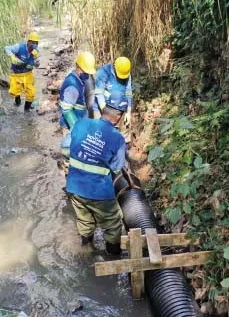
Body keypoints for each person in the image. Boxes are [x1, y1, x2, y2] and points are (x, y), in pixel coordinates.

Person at [66, 92, 127, 255]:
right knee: (113, 223)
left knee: (84, 220)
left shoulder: (81, 124)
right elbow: (117, 167)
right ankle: (113, 255)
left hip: (74, 187)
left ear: (103, 110)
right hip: (99, 192)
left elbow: (68, 146)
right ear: (118, 116)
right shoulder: (118, 138)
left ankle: (86, 250)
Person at [93, 57, 133, 145]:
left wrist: (128, 111)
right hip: (103, 107)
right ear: (115, 67)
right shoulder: (103, 72)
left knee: (124, 133)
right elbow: (99, 93)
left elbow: (128, 92)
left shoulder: (126, 73)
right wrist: (105, 112)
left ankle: (124, 152)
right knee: (100, 135)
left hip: (121, 108)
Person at [59, 51, 96, 135]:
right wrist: (77, 130)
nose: (88, 75)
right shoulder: (72, 85)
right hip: (70, 126)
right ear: (78, 67)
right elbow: (67, 110)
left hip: (79, 119)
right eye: (86, 72)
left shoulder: (79, 78)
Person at [4, 31, 40, 111]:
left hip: (28, 74)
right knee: (15, 92)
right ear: (28, 42)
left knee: (31, 93)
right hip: (16, 74)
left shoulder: (36, 51)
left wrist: (36, 60)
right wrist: (12, 56)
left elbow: (38, 65)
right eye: (33, 42)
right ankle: (17, 100)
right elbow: (6, 48)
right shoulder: (19, 47)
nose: (35, 45)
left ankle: (26, 111)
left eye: (36, 43)